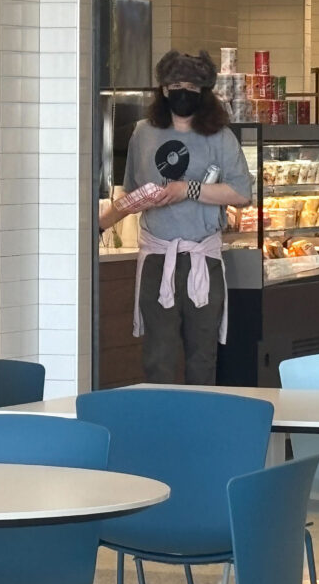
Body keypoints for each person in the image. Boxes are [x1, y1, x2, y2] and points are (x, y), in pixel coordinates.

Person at [99, 50, 251, 385]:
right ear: (164, 90)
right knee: (159, 357)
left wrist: (189, 189)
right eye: (176, 85)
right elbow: (133, 195)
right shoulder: (142, 133)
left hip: (202, 257)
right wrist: (99, 225)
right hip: (157, 257)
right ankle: (163, 416)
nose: (184, 92)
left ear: (204, 92)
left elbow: (242, 194)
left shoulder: (220, 137)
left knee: (202, 356)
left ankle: (200, 416)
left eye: (192, 87)